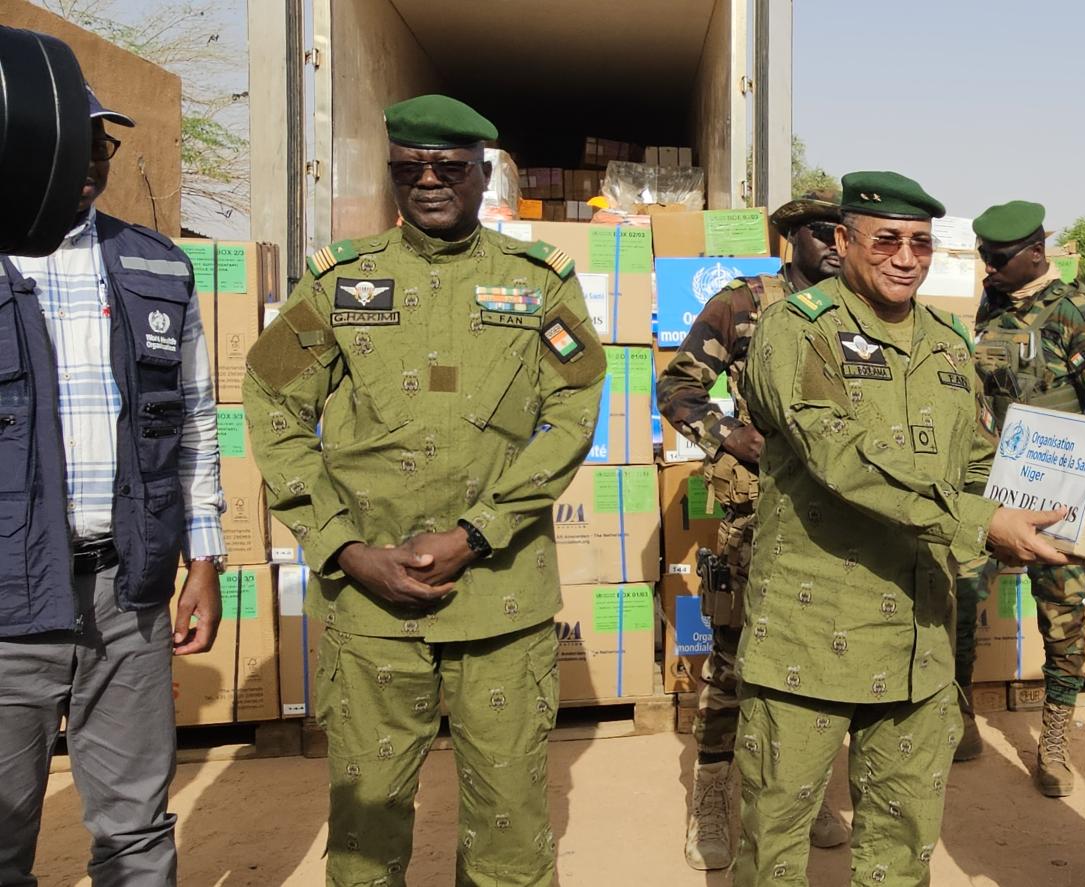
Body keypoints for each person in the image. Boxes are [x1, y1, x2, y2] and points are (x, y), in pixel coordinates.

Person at [244, 94, 605, 886]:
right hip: (372, 604)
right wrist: (343, 546)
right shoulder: (342, 283)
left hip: (501, 602)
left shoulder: (538, 283)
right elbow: (273, 400)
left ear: (483, 174)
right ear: (392, 172)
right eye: (411, 168)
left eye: (450, 168)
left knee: (510, 836)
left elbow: (573, 410)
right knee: (368, 833)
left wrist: (477, 531)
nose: (430, 181)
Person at [733, 170, 1069, 885]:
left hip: (920, 639)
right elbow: (845, 460)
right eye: (886, 239)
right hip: (811, 634)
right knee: (775, 848)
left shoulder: (949, 342)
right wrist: (985, 523)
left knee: (900, 849)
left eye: (920, 243)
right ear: (845, 240)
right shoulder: (796, 329)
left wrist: (1069, 514)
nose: (905, 257)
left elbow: (979, 461)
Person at [0, 84, 225, 887]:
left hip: (125, 593)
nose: (93, 160)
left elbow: (193, 421)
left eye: (102, 145)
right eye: (75, 142)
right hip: (8, 601)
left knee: (135, 828)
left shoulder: (155, 264)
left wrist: (204, 556)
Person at [658, 192, 853, 869]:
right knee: (735, 660)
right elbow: (678, 386)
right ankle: (711, 793)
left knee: (822, 664)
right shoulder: (744, 302)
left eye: (844, 230)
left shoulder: (861, 309)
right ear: (790, 236)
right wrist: (728, 435)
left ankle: (807, 790)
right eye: (821, 231)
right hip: (758, 516)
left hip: (836, 519)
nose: (835, 241)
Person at [951, 199, 1085, 798]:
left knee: (1062, 615)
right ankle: (961, 719)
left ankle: (1056, 738)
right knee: (960, 594)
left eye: (997, 257)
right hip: (990, 482)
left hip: (1057, 491)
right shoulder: (994, 305)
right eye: (983, 256)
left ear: (1037, 253)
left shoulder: (1081, 316)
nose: (986, 268)